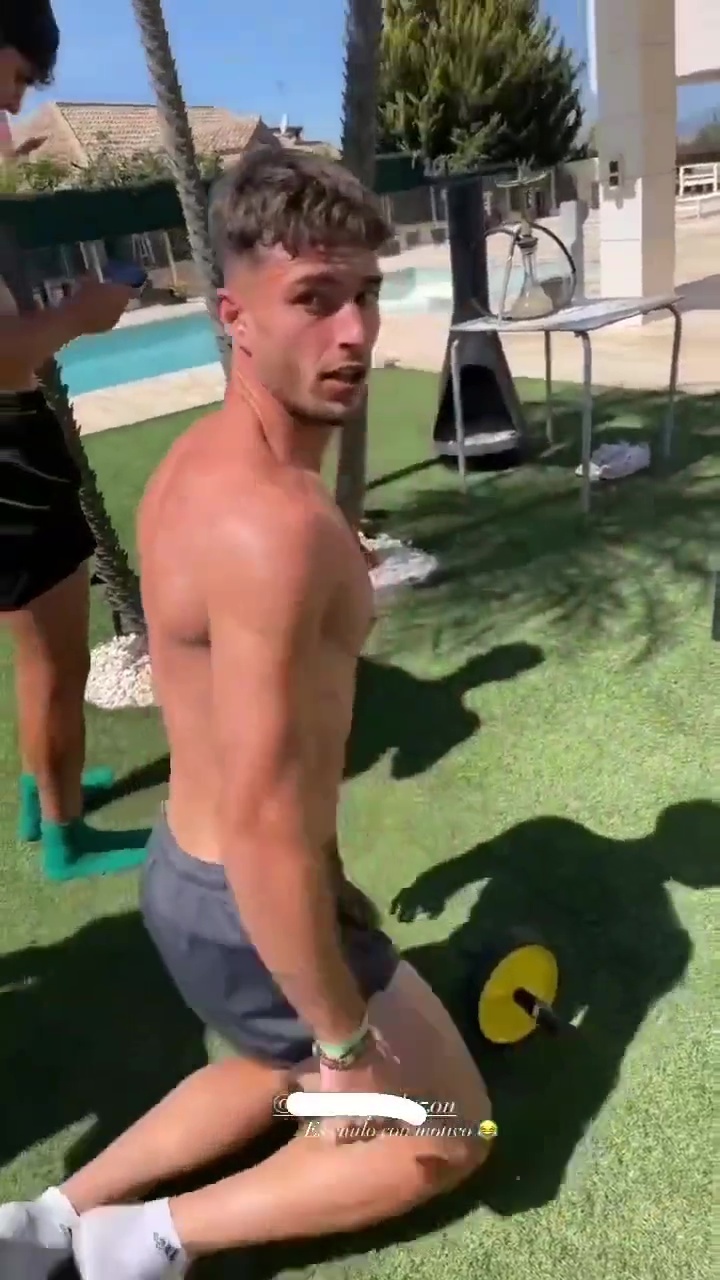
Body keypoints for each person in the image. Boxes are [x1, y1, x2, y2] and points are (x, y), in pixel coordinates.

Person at [0, 148, 492, 1279]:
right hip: (251, 896)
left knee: (275, 1063)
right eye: (314, 299)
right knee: (447, 1129)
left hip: (187, 873)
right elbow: (271, 823)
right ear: (234, 319)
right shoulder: (277, 529)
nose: (355, 332)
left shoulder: (195, 466)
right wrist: (347, 1044)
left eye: (366, 293)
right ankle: (146, 1239)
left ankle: (49, 1215)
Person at [0, 2, 149, 880]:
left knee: (34, 651)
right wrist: (82, 315)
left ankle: (39, 797)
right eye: (16, 77)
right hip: (8, 458)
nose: (14, 106)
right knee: (57, 658)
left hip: (13, 445)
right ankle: (67, 839)